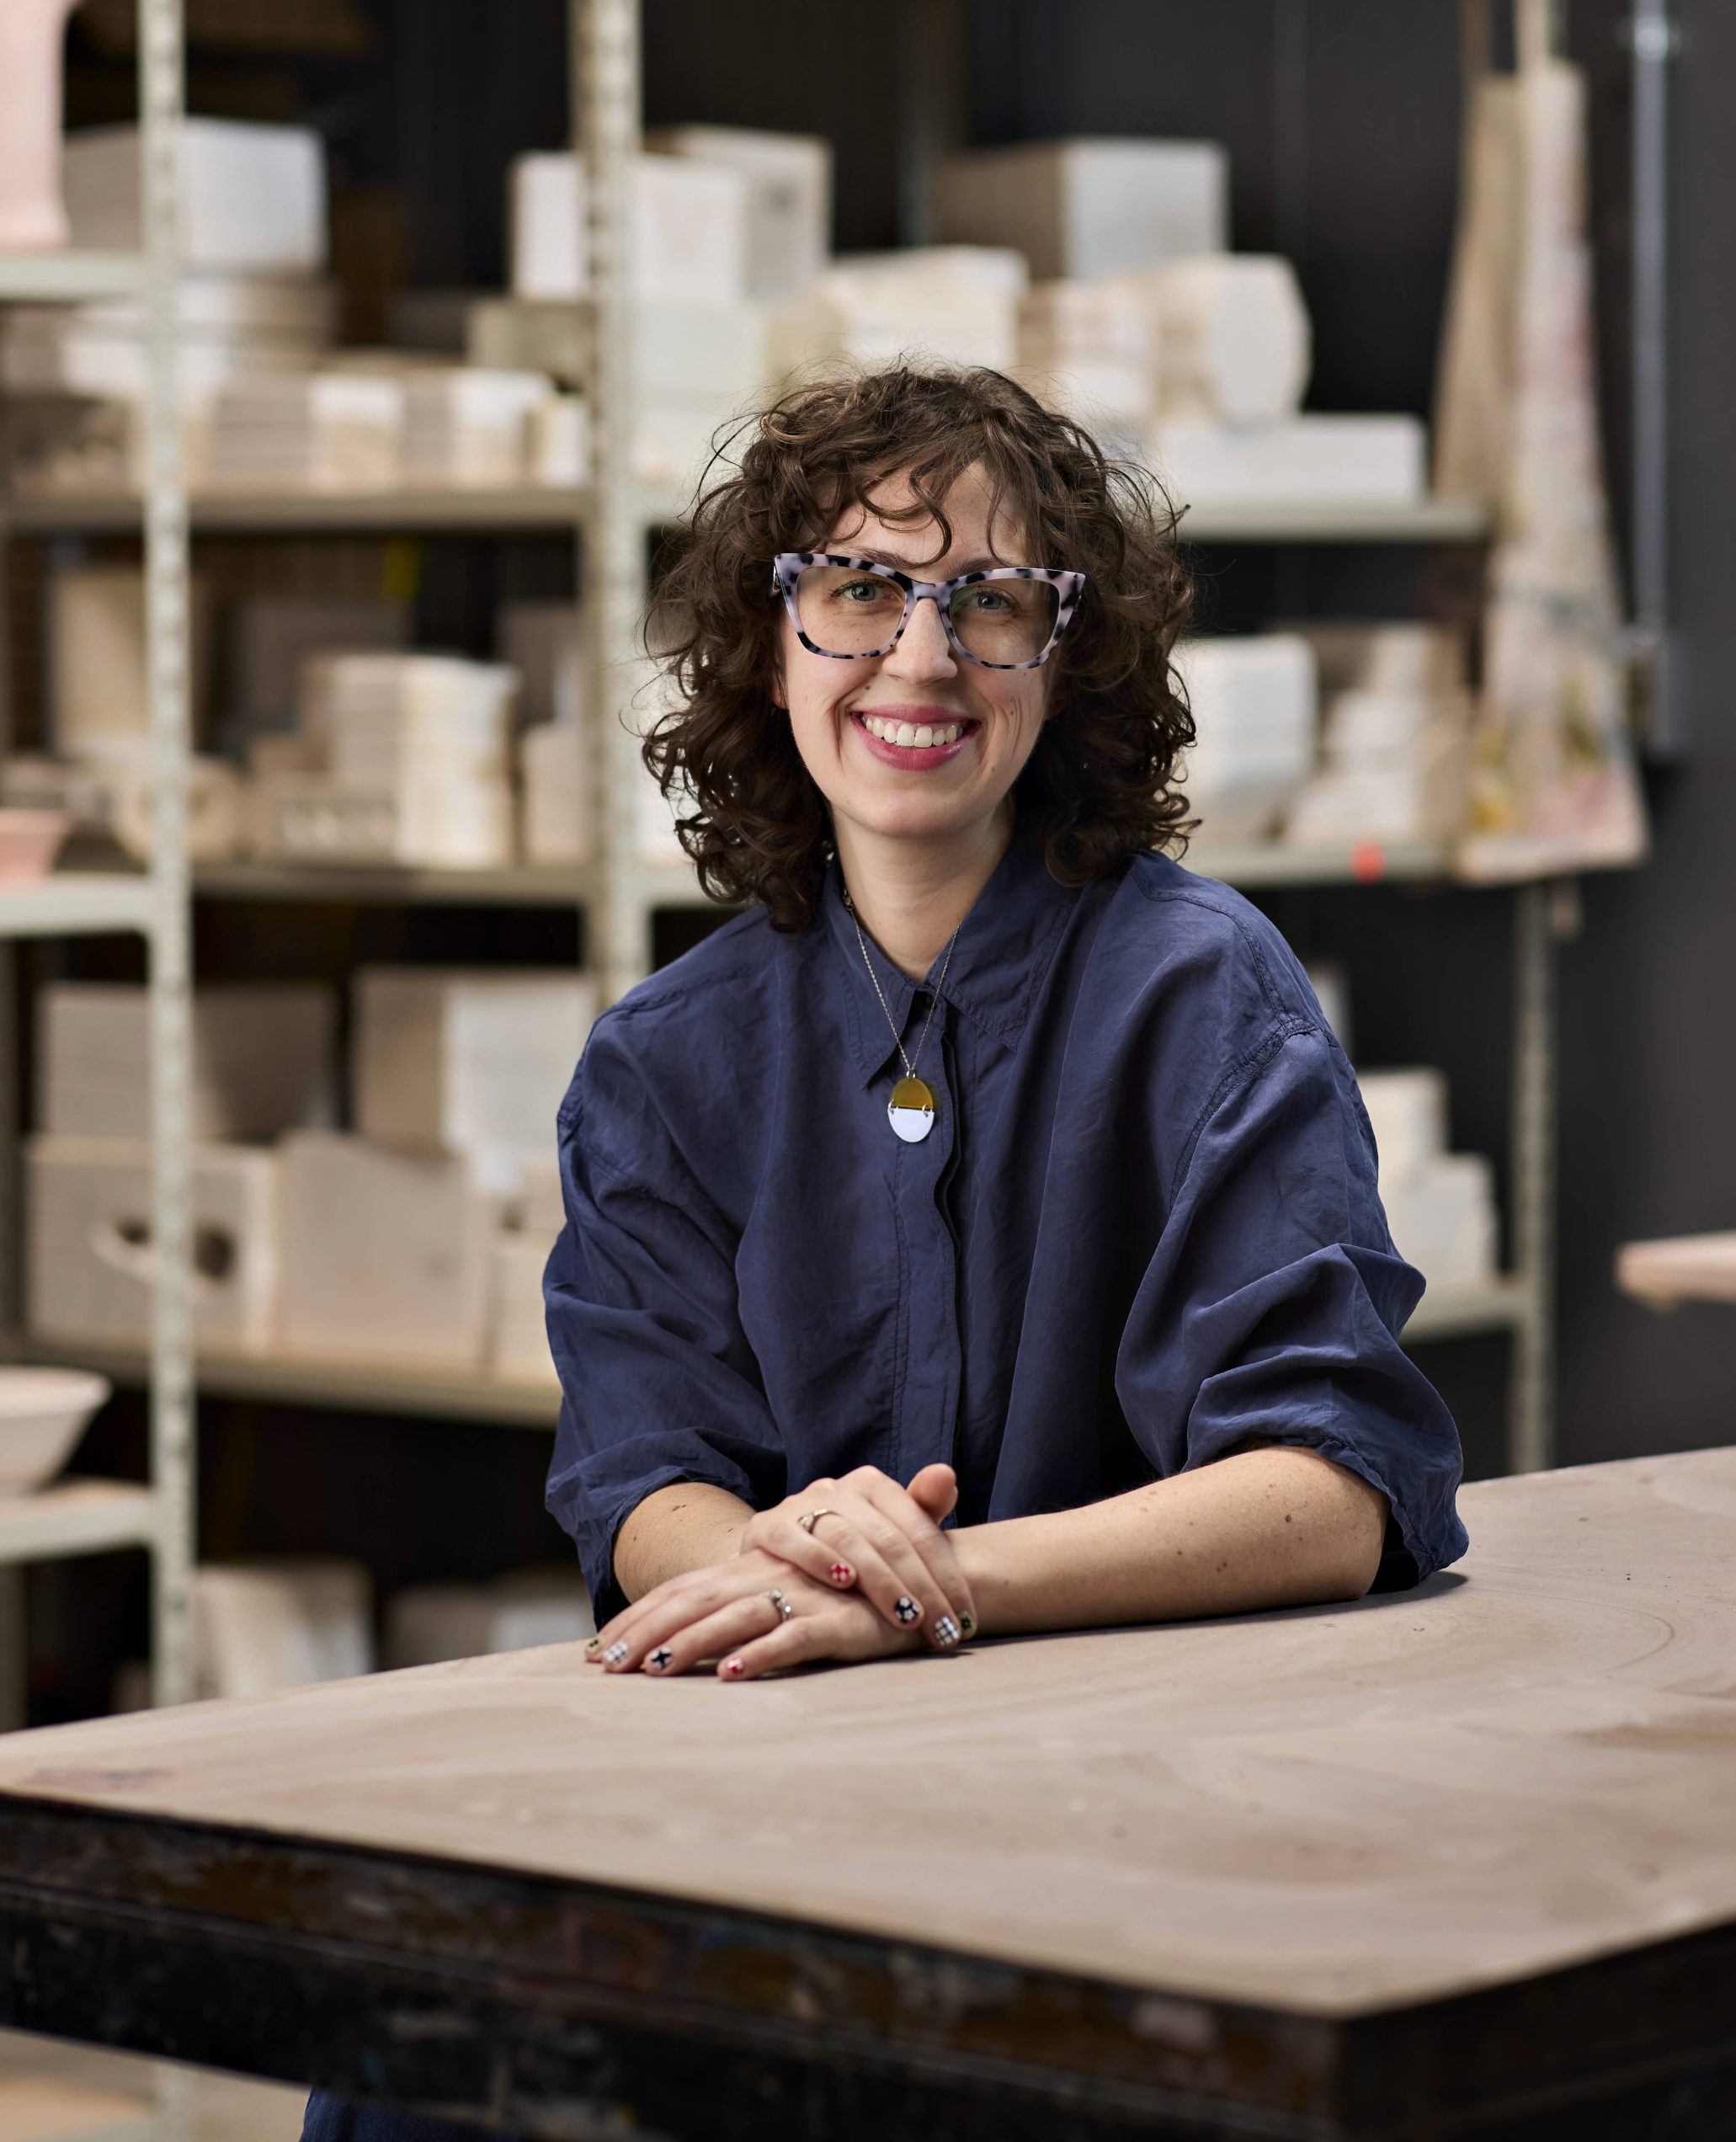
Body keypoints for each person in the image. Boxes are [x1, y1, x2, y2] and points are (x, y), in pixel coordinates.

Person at [300, 362, 1466, 2141]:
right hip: (779, 1801)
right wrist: (783, 1553)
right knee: (402, 2083)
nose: (919, 660)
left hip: (1139, 1812)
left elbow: (1331, 1487)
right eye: (857, 589)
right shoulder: (666, 1059)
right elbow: (639, 1479)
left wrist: (926, 1582)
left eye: (990, 602)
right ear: (773, 645)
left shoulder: (1200, 993)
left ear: (1062, 663)